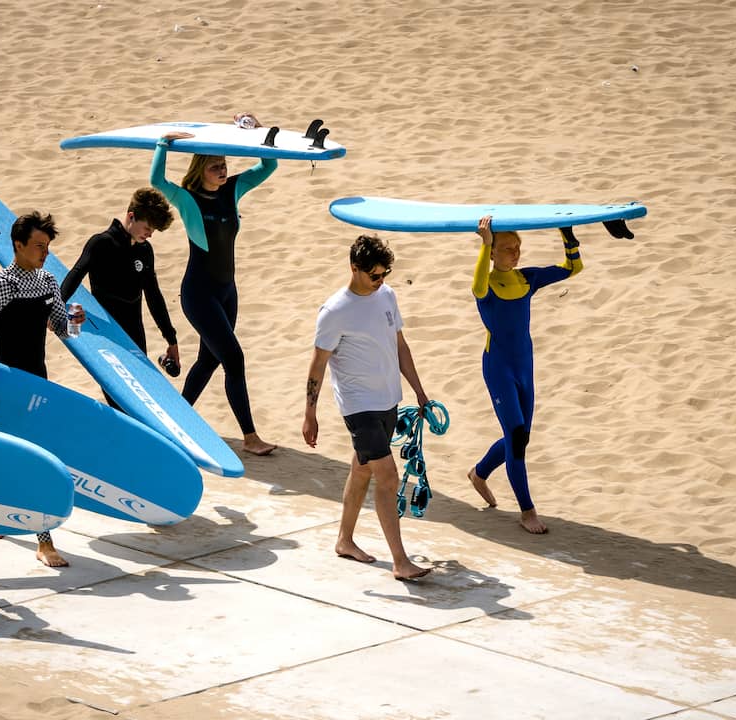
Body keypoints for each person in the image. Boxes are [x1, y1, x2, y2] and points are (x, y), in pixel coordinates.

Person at [302, 234, 435, 581]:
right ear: (354, 268)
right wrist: (310, 413)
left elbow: (400, 347)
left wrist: (419, 391)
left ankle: (344, 540)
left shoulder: (387, 296)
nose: (381, 281)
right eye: (374, 275)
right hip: (358, 407)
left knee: (362, 469)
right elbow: (318, 365)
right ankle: (400, 562)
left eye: (385, 274)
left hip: (388, 400)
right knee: (388, 478)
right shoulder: (335, 311)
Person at [149, 112, 277, 456]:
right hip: (199, 294)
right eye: (214, 166)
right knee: (233, 358)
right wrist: (163, 144)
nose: (222, 170)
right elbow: (157, 181)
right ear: (199, 169)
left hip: (226, 292)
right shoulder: (188, 199)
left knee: (209, 360)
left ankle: (175, 420)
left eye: (223, 164)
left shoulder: (232, 189)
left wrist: (258, 135)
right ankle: (250, 437)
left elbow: (268, 167)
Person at [0, 210, 84, 567]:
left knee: (35, 456)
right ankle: (43, 541)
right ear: (18, 245)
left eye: (47, 246)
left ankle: (10, 520)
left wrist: (76, 322)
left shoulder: (48, 281)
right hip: (8, 383)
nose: (44, 252)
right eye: (38, 245)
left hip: (38, 381)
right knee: (19, 455)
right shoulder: (1, 285)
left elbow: (62, 330)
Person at [466, 215, 583, 534]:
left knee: (520, 437)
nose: (515, 253)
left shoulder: (526, 278)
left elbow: (572, 268)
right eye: (507, 249)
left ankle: (479, 473)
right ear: (492, 253)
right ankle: (527, 511)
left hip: (524, 367)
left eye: (517, 248)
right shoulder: (487, 283)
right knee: (517, 439)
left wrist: (567, 236)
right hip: (498, 367)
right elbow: (476, 287)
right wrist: (485, 244)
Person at [60, 187, 180, 408]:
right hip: (105, 335)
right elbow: (75, 274)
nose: (150, 234)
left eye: (153, 230)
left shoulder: (145, 251)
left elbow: (154, 296)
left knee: (141, 398)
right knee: (119, 401)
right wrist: (55, 308)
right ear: (131, 216)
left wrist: (170, 339)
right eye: (147, 228)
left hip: (134, 335)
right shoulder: (101, 243)